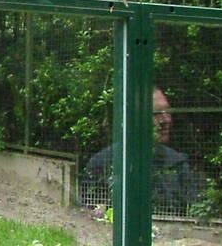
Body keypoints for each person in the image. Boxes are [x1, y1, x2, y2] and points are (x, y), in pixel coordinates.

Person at [80, 87, 205, 216]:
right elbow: (90, 215)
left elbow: (194, 212)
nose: (166, 120)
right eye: (157, 114)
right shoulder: (102, 163)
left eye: (167, 112)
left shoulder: (178, 164)